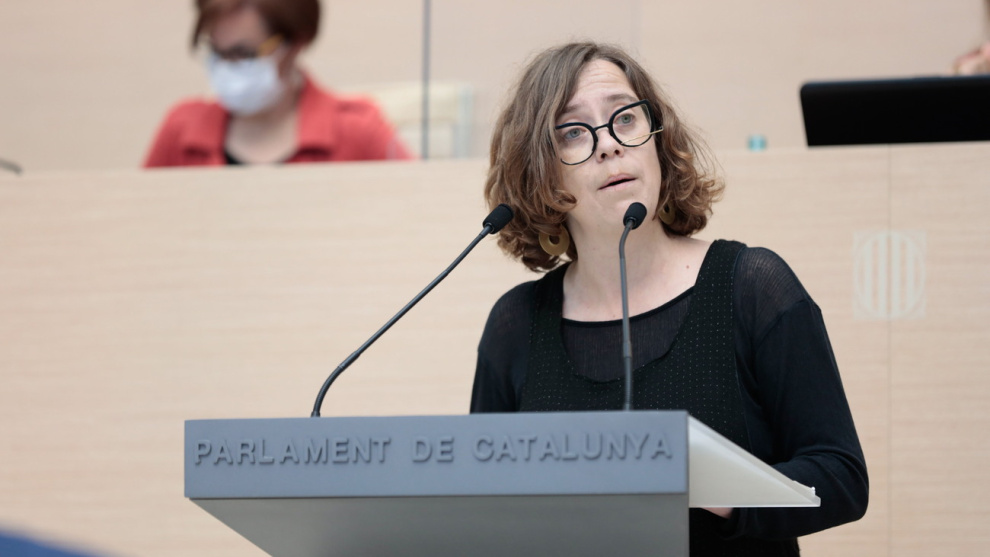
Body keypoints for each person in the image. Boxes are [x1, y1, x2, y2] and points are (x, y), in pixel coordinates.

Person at [470, 42, 868, 555]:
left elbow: (840, 478)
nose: (609, 145)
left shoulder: (751, 288)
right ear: (540, 173)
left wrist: (711, 483)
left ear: (657, 138)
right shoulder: (516, 325)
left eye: (625, 118)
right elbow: (482, 509)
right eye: (573, 132)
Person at [143, 0, 411, 167]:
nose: (226, 66)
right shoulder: (181, 130)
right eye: (217, 52)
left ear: (296, 43)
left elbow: (420, 213)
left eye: (243, 54)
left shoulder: (358, 131)